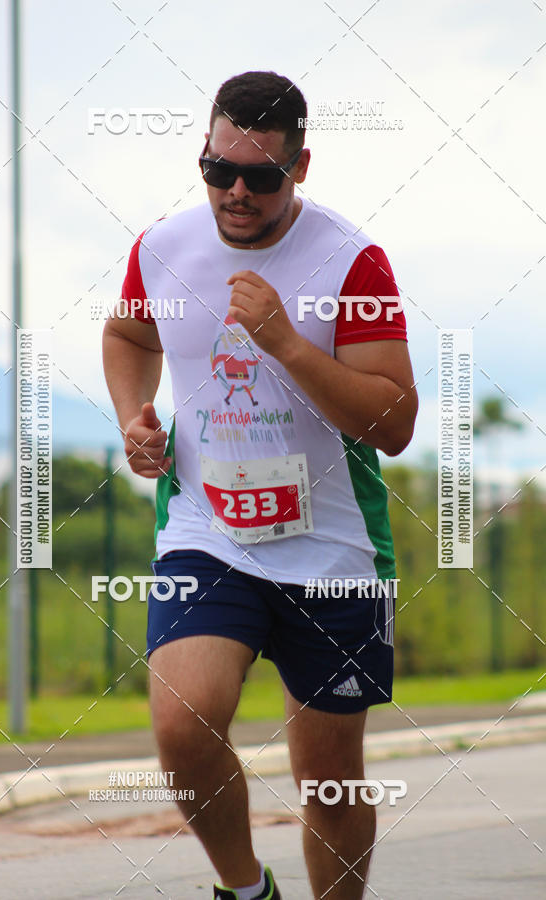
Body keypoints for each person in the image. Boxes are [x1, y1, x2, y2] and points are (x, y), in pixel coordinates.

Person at [103, 70, 418, 900]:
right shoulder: (163, 247)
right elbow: (128, 331)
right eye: (220, 172)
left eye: (262, 177)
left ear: (301, 168)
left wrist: (286, 340)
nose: (237, 193)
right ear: (202, 157)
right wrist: (136, 415)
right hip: (210, 532)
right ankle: (247, 892)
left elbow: (393, 421)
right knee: (182, 723)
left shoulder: (353, 260)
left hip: (332, 548)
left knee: (330, 780)